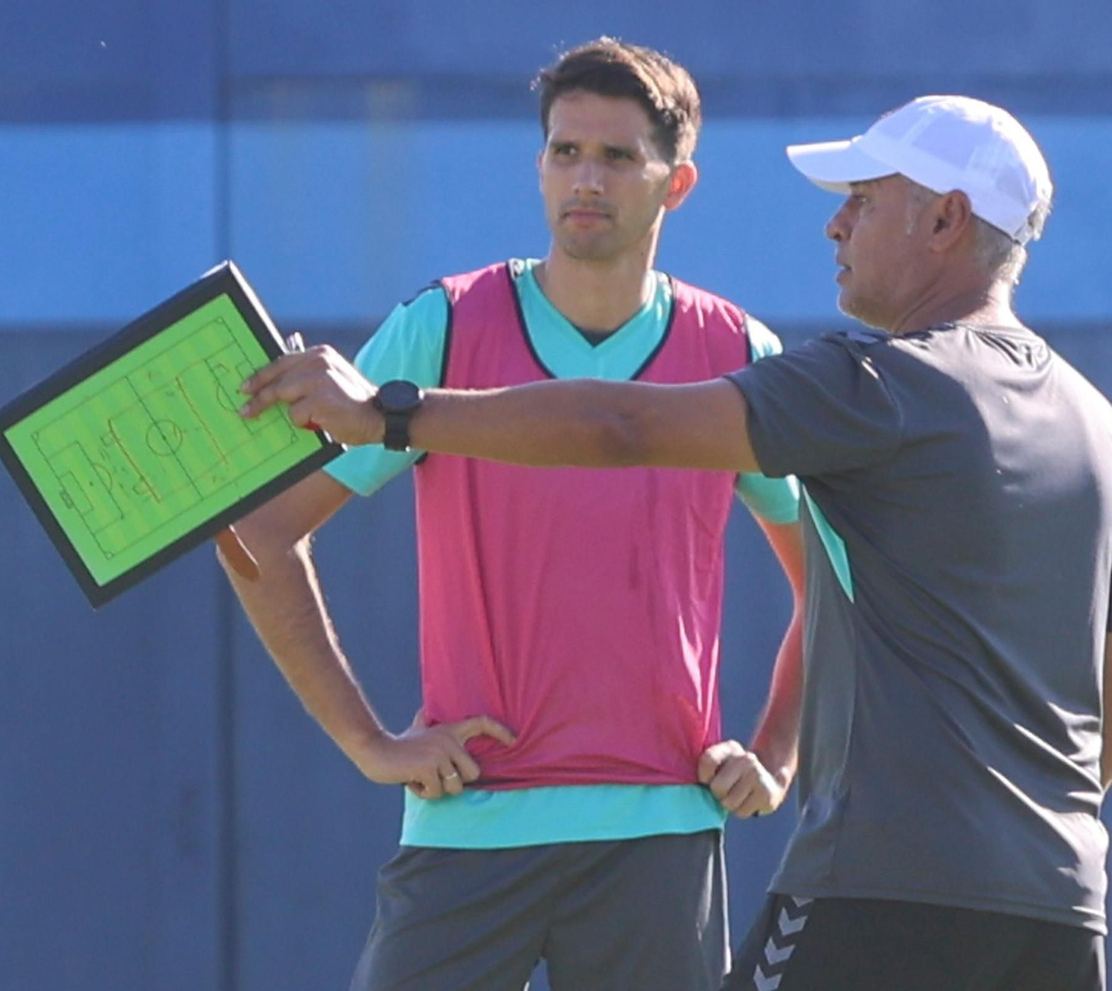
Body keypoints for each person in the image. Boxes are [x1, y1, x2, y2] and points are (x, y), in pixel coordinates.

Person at [242, 94, 1112, 991]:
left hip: (881, 888)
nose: (837, 226)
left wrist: (392, 413)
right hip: (1058, 904)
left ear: (946, 219)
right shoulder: (1097, 424)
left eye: (864, 200)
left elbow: (619, 429)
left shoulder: (866, 383)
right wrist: (1017, 843)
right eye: (564, 151)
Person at [219, 37, 808, 991]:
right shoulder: (442, 327)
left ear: (678, 183)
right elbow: (257, 531)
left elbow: (831, 579)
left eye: (617, 157)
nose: (586, 178)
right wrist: (371, 743)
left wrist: (775, 750)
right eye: (565, 152)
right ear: (538, 166)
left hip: (659, 834)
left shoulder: (738, 349)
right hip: (468, 823)